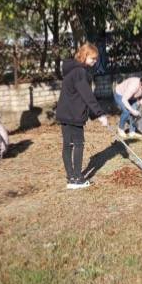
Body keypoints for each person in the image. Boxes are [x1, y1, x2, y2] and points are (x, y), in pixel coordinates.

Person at [55, 43, 110, 191]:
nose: (94, 62)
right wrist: (100, 114)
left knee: (67, 145)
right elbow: (87, 96)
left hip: (64, 113)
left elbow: (79, 96)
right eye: (92, 59)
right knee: (78, 144)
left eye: (95, 59)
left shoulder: (71, 70)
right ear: (84, 56)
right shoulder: (80, 72)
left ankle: (71, 178)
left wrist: (93, 115)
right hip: (73, 115)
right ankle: (77, 179)